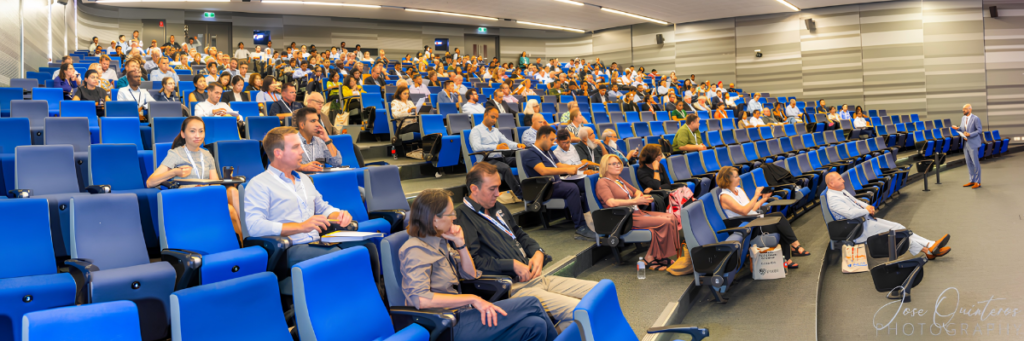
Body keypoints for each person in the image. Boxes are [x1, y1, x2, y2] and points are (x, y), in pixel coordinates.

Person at [399, 188, 558, 341]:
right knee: (532, 303)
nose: (454, 217)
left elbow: (470, 274)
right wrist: (473, 299)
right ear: (435, 219)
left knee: (535, 326)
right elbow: (420, 299)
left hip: (463, 314)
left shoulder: (441, 242)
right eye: (450, 213)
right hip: (447, 324)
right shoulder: (415, 249)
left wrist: (460, 244)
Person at [455, 163, 597, 332]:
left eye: (499, 187)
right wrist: (512, 265)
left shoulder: (497, 207)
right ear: (474, 189)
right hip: (510, 288)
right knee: (580, 310)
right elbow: (474, 263)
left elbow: (519, 234)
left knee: (599, 292)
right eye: (492, 188)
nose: (497, 193)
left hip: (535, 277)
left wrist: (538, 252)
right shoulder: (462, 217)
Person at [244, 126, 383, 287]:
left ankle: (371, 301)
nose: (302, 151)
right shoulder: (259, 184)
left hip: (316, 240)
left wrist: (338, 214)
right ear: (278, 153)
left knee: (368, 249)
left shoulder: (303, 179)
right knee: (339, 257)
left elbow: (323, 208)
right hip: (289, 248)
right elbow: (255, 226)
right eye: (295, 147)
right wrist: (300, 227)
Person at [146, 116, 243, 240]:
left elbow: (215, 184)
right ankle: (242, 242)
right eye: (192, 131)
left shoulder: (207, 154)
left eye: (201, 131)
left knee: (233, 192)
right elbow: (150, 182)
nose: (198, 135)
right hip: (188, 197)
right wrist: (174, 172)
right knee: (229, 210)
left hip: (206, 194)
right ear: (183, 134)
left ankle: (246, 237)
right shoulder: (175, 154)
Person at [824, 172, 951, 259]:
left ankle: (929, 247)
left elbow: (857, 202)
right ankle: (929, 247)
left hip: (864, 221)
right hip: (856, 228)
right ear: (831, 183)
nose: (843, 180)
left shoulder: (840, 191)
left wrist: (867, 206)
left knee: (898, 227)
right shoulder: (833, 199)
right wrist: (866, 211)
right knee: (896, 234)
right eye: (840, 179)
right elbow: (850, 214)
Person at [595, 154, 681, 272]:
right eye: (613, 164)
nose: (618, 166)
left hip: (635, 212)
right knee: (665, 221)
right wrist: (635, 200)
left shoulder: (619, 179)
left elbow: (637, 191)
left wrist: (639, 198)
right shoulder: (603, 182)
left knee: (671, 217)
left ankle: (660, 256)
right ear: (605, 166)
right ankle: (649, 258)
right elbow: (610, 203)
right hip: (623, 218)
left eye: (619, 163)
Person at [717, 166, 805, 269]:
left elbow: (751, 208)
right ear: (728, 179)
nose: (739, 178)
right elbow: (744, 211)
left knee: (779, 217)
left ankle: (790, 252)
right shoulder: (725, 197)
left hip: (754, 220)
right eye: (736, 176)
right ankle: (793, 248)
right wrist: (756, 196)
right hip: (747, 226)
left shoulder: (739, 190)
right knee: (779, 222)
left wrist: (763, 199)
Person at [520, 126, 591, 237]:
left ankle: (590, 218)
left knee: (586, 184)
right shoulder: (530, 153)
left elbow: (558, 165)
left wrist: (577, 167)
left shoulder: (547, 151)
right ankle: (580, 226)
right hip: (543, 187)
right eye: (552, 139)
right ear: (543, 137)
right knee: (572, 188)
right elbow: (543, 171)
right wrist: (567, 170)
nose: (553, 143)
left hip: (555, 183)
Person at [469, 108, 524, 200]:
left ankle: (529, 187)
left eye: (496, 118)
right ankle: (520, 194)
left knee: (521, 160)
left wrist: (517, 145)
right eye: (492, 117)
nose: (494, 120)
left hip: (500, 158)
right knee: (505, 168)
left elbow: (506, 141)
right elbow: (476, 147)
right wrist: (496, 147)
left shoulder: (495, 130)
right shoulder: (476, 130)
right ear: (485, 114)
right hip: (486, 160)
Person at [290, 106, 343, 172]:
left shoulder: (320, 141)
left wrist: (326, 139)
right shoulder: (291, 141)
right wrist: (302, 167)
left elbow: (337, 162)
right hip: (300, 180)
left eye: (318, 120)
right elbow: (283, 165)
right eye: (313, 121)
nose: (318, 124)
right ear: (302, 125)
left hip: (319, 179)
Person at [952, 103, 983, 188]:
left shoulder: (976, 118)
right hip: (965, 144)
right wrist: (957, 128)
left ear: (970, 109)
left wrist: (970, 134)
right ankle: (972, 180)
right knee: (969, 163)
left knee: (975, 163)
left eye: (965, 109)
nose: (963, 110)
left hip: (973, 143)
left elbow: (979, 130)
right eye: (963, 109)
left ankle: (978, 182)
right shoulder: (963, 118)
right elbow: (962, 129)